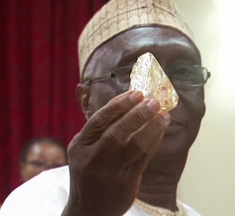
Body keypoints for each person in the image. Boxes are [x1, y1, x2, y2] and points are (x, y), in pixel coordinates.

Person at [0, 0, 211, 215]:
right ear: (87, 100)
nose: (164, 93)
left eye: (184, 72)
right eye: (136, 71)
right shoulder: (41, 197)